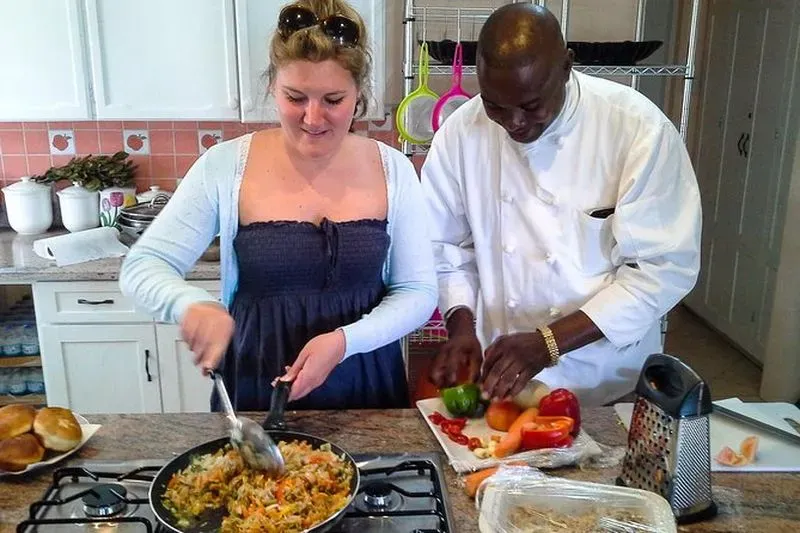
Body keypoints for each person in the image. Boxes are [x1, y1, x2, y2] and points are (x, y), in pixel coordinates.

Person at [119, 0, 437, 411]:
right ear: (272, 85)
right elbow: (143, 267)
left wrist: (344, 342)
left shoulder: (393, 168)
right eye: (295, 97)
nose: (313, 117)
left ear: (359, 94)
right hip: (256, 389)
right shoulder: (225, 165)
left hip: (367, 385)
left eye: (333, 99)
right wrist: (191, 304)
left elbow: (418, 291)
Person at [421, 3, 701, 407]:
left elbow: (661, 270)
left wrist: (548, 343)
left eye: (532, 106)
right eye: (495, 105)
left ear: (567, 67)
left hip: (605, 379)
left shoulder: (637, 129)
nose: (515, 122)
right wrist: (462, 326)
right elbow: (445, 246)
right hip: (502, 382)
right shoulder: (460, 133)